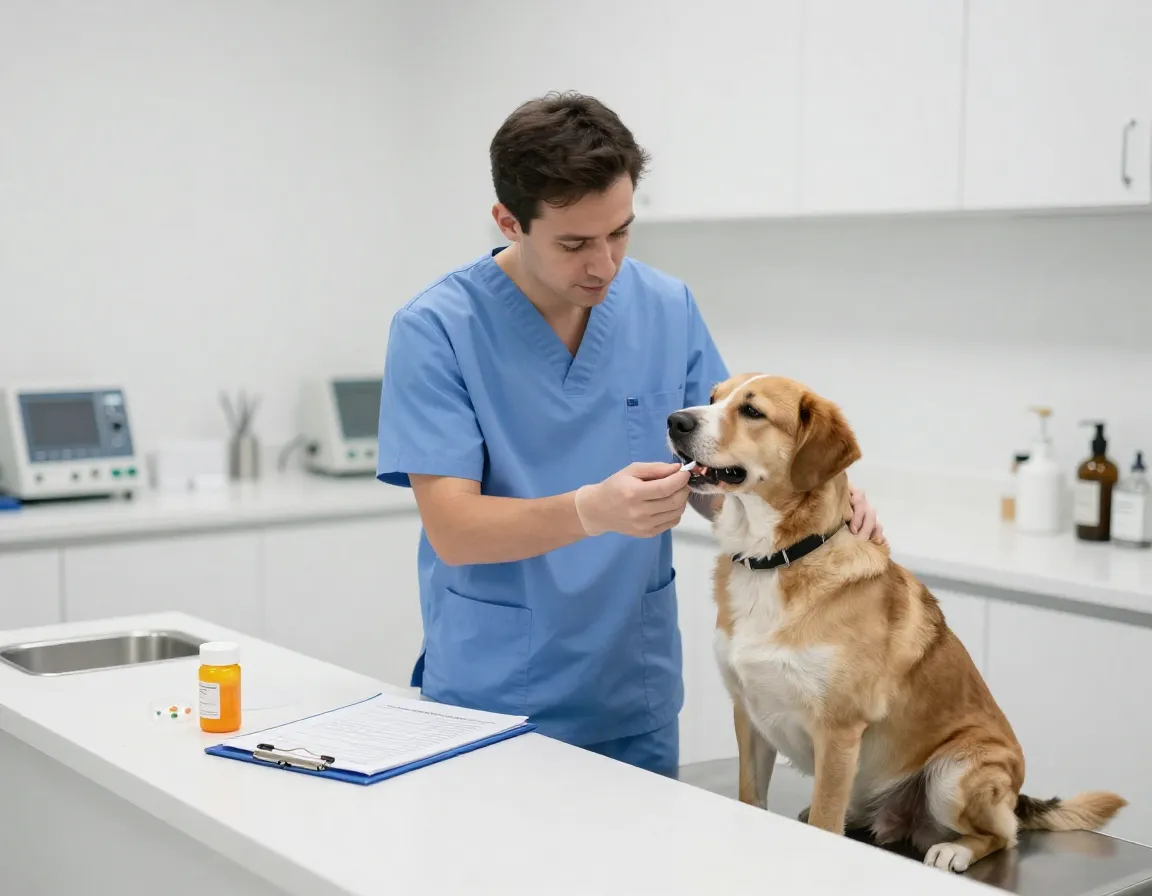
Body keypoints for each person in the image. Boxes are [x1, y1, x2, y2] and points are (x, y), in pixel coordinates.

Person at [376, 91, 883, 779]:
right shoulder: (436, 330)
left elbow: (721, 475)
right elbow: (455, 530)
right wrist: (592, 510)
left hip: (629, 694)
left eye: (620, 232)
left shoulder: (665, 307)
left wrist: (816, 503)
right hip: (492, 702)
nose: (604, 265)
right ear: (509, 222)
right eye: (575, 243)